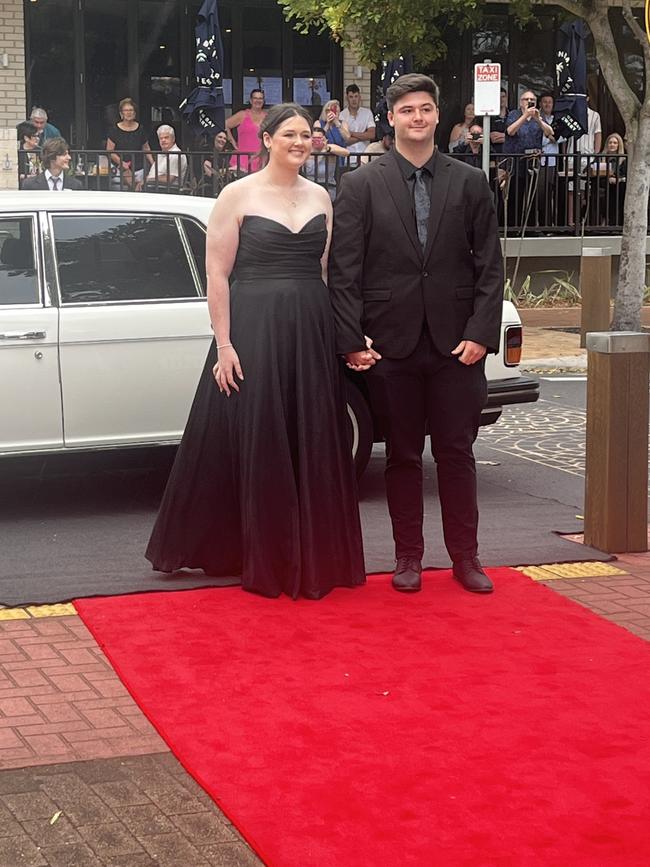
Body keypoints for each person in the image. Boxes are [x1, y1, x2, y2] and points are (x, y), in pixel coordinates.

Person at [146, 103, 366, 600]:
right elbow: (218, 274)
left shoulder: (322, 199)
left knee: (307, 436)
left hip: (309, 331)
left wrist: (343, 337)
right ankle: (255, 550)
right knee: (256, 435)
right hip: (253, 329)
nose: (299, 141)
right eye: (288, 133)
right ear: (266, 139)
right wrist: (224, 344)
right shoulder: (235, 194)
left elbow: (326, 275)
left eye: (306, 134)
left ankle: (308, 551)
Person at [329, 73, 503, 595]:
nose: (418, 118)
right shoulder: (361, 184)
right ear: (392, 118)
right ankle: (408, 557)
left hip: (457, 346)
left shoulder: (469, 181)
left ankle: (466, 559)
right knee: (402, 456)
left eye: (426, 109)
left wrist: (481, 334)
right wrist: (352, 340)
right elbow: (345, 271)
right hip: (390, 345)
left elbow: (490, 267)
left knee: (456, 453)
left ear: (437, 116)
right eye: (408, 110)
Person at [503, 90, 554, 226]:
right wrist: (525, 115)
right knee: (516, 194)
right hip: (517, 160)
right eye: (526, 99)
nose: (529, 102)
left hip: (533, 161)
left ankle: (531, 226)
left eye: (532, 100)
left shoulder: (539, 116)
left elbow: (550, 133)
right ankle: (513, 226)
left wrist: (537, 119)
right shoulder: (514, 114)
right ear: (521, 102)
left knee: (532, 194)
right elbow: (510, 131)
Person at [106, 98, 153, 189]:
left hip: (138, 169)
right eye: (126, 110)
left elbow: (146, 148)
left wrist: (153, 164)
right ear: (121, 114)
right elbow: (110, 151)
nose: (128, 112)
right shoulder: (114, 130)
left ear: (134, 113)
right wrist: (121, 162)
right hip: (120, 169)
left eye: (131, 110)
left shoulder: (140, 129)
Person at [303, 122, 349, 199]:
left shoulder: (330, 148)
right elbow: (309, 171)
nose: (316, 140)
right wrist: (321, 154)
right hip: (310, 187)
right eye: (314, 138)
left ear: (325, 139)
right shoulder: (306, 150)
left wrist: (326, 149)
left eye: (319, 138)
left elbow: (346, 153)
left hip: (328, 187)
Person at [226, 89, 267, 174]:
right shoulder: (243, 115)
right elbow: (225, 125)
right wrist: (232, 141)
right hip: (242, 158)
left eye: (260, 98)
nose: (258, 100)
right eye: (255, 98)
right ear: (251, 100)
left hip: (261, 159)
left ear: (263, 101)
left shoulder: (268, 117)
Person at [538, 92, 559, 226]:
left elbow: (559, 138)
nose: (547, 104)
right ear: (540, 104)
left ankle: (549, 224)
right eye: (544, 102)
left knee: (551, 193)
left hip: (553, 161)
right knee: (540, 193)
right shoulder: (537, 119)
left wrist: (550, 136)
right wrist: (551, 136)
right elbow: (538, 140)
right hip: (539, 161)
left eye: (549, 102)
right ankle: (540, 223)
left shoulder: (557, 119)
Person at [145, 125, 187, 192]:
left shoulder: (175, 155)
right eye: (161, 138)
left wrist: (148, 180)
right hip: (154, 188)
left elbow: (169, 179)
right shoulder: (162, 154)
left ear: (173, 139)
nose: (163, 140)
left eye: (166, 137)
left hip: (167, 190)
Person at [339, 84, 376, 156]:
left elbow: (371, 135)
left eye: (356, 96)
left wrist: (351, 133)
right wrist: (364, 136)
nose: (354, 100)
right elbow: (344, 141)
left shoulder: (367, 113)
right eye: (351, 97)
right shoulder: (341, 115)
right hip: (348, 157)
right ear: (347, 98)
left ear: (360, 97)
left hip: (364, 157)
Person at [202, 129, 234, 194]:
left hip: (225, 188)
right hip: (209, 189)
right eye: (220, 137)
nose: (222, 140)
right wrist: (227, 170)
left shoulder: (226, 155)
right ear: (214, 138)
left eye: (225, 138)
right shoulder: (207, 153)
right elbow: (211, 173)